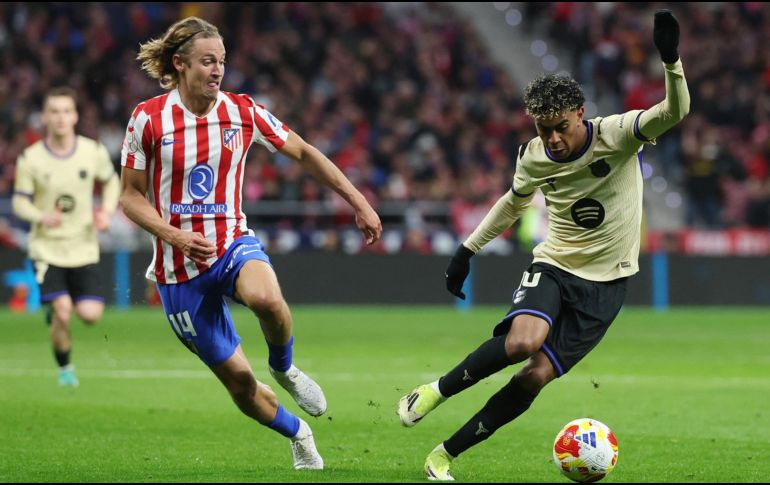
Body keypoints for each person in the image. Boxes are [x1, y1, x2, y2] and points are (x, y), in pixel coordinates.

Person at [397, 10, 689, 481]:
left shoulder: (617, 135)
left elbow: (674, 112)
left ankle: (444, 455)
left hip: (608, 285)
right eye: (542, 129)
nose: (552, 138)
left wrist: (670, 60)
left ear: (580, 114)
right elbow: (512, 204)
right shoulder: (533, 157)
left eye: (560, 127)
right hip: (555, 264)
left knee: (534, 375)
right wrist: (466, 251)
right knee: (522, 343)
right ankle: (436, 390)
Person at [119, 17, 382, 471]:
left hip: (230, 242)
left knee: (265, 297)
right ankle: (299, 434)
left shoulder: (242, 111)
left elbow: (301, 151)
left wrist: (358, 200)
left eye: (221, 61)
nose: (218, 70)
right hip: (178, 269)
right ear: (180, 64)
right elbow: (130, 196)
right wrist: (175, 235)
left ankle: (284, 368)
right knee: (240, 384)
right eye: (207, 61)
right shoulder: (148, 119)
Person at [12, 86, 120, 388]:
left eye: (66, 111)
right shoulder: (30, 158)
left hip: (83, 247)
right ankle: (65, 370)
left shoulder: (92, 151)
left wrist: (106, 212)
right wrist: (40, 216)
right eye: (54, 112)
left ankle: (57, 312)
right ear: (45, 117)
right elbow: (20, 201)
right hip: (46, 248)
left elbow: (112, 184)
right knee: (62, 312)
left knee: (89, 315)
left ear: (75, 116)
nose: (60, 118)